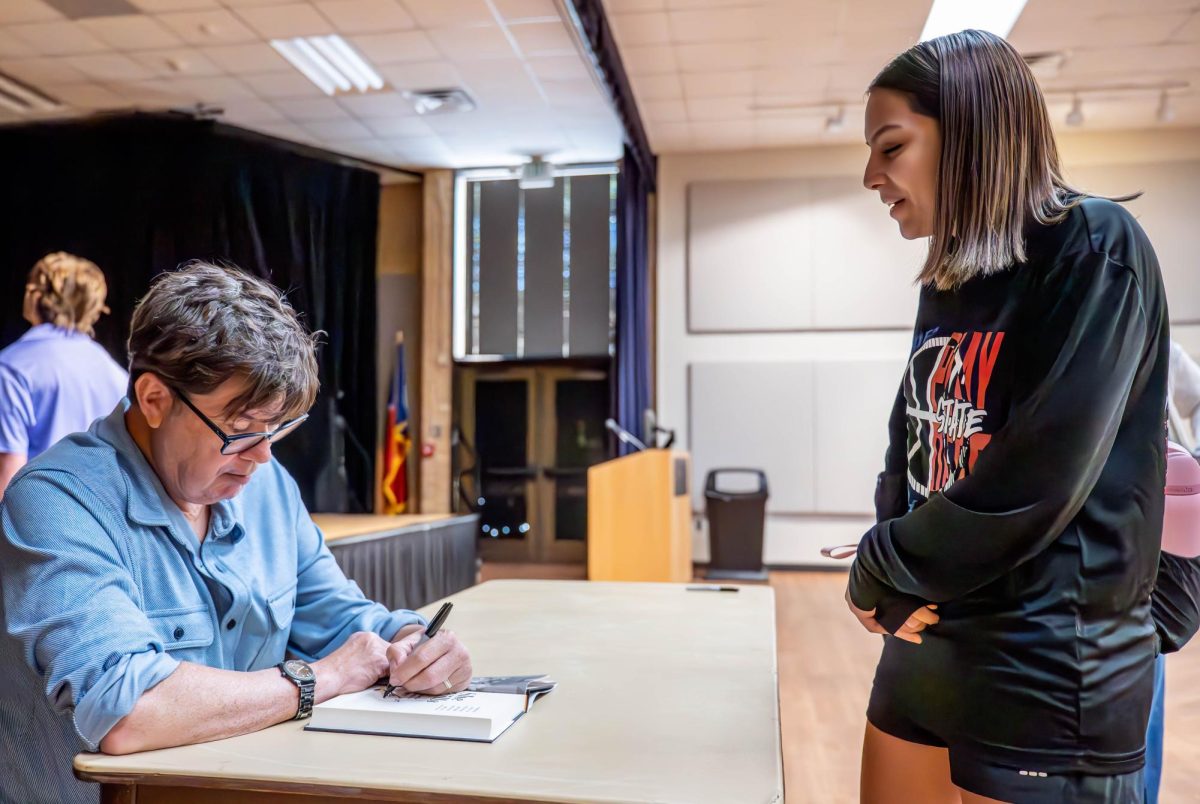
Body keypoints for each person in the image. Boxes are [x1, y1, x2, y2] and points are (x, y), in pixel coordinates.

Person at [846, 30, 1200, 803]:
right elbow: (912, 436)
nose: (871, 174)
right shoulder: (948, 274)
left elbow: (1036, 478)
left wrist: (882, 562)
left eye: (892, 145)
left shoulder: (1095, 245)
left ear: (968, 130)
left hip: (1041, 666)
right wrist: (890, 559)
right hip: (927, 645)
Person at [0, 262, 473, 804]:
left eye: (277, 430)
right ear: (155, 400)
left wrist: (412, 643)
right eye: (242, 431)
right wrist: (318, 680)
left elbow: (340, 621)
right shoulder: (57, 500)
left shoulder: (266, 486)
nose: (263, 457)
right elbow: (127, 712)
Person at [0, 252, 128, 498]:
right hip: (103, 520)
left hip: (35, 522)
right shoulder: (117, 376)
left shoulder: (12, 368)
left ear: (34, 296)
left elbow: (8, 474)